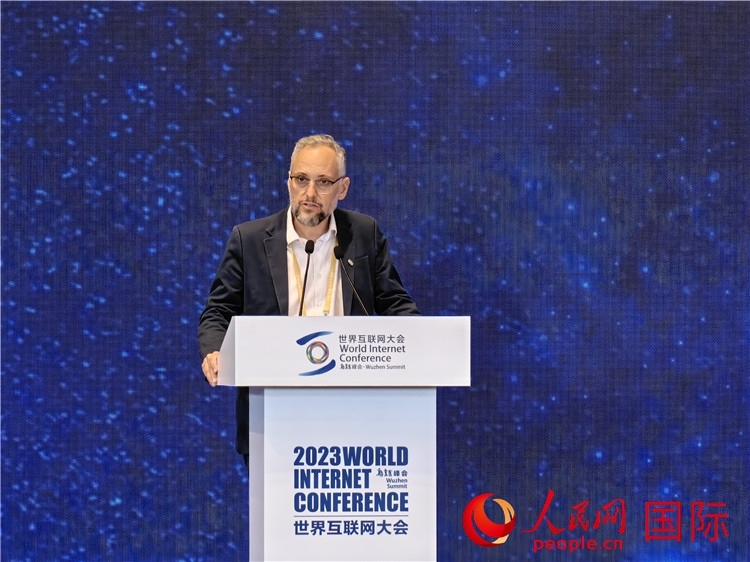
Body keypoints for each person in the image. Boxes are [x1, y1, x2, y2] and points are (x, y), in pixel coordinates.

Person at [198, 134, 420, 464]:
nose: (310, 193)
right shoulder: (249, 239)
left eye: (324, 182)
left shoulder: (364, 234)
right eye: (301, 179)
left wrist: (421, 343)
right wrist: (215, 350)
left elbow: (395, 303)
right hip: (271, 415)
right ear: (288, 181)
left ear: (343, 188)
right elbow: (219, 310)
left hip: (350, 414)